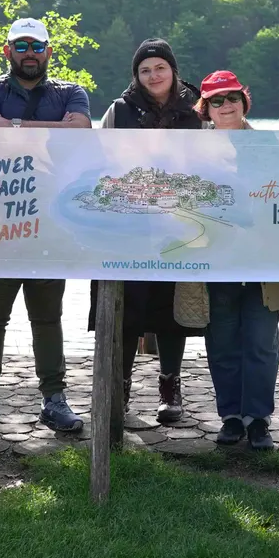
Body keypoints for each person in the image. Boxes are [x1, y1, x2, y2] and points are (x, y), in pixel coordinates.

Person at [0, 17, 91, 439]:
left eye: (37, 46)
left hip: (50, 223)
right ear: (7, 52)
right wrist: (45, 132)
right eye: (21, 46)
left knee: (48, 319)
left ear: (49, 52)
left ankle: (54, 401)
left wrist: (12, 127)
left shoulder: (72, 92)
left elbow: (79, 132)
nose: (30, 53)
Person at [194, 70, 279, 451]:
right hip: (216, 262)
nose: (224, 105)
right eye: (215, 100)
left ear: (244, 102)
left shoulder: (269, 144)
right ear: (205, 109)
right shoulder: (193, 149)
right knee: (223, 340)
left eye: (231, 98)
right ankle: (230, 416)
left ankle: (258, 418)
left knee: (261, 342)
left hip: (264, 260)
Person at [89, 38, 204, 423]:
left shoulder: (195, 111)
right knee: (125, 309)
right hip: (127, 229)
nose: (153, 75)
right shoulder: (118, 111)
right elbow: (97, 163)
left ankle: (170, 386)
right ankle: (118, 387)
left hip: (179, 228)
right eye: (145, 70)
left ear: (173, 71)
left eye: (160, 68)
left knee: (173, 310)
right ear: (135, 76)